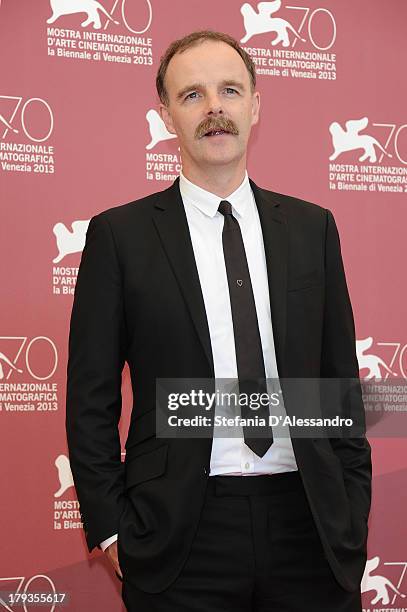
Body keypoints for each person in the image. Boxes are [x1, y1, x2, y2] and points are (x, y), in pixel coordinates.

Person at [66, 30, 372, 612]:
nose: (214, 109)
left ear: (255, 106)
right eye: (192, 95)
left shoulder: (313, 229)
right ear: (166, 117)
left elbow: (341, 385)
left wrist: (351, 506)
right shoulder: (119, 237)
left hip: (310, 522)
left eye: (230, 91)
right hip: (180, 531)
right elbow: (91, 398)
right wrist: (110, 528)